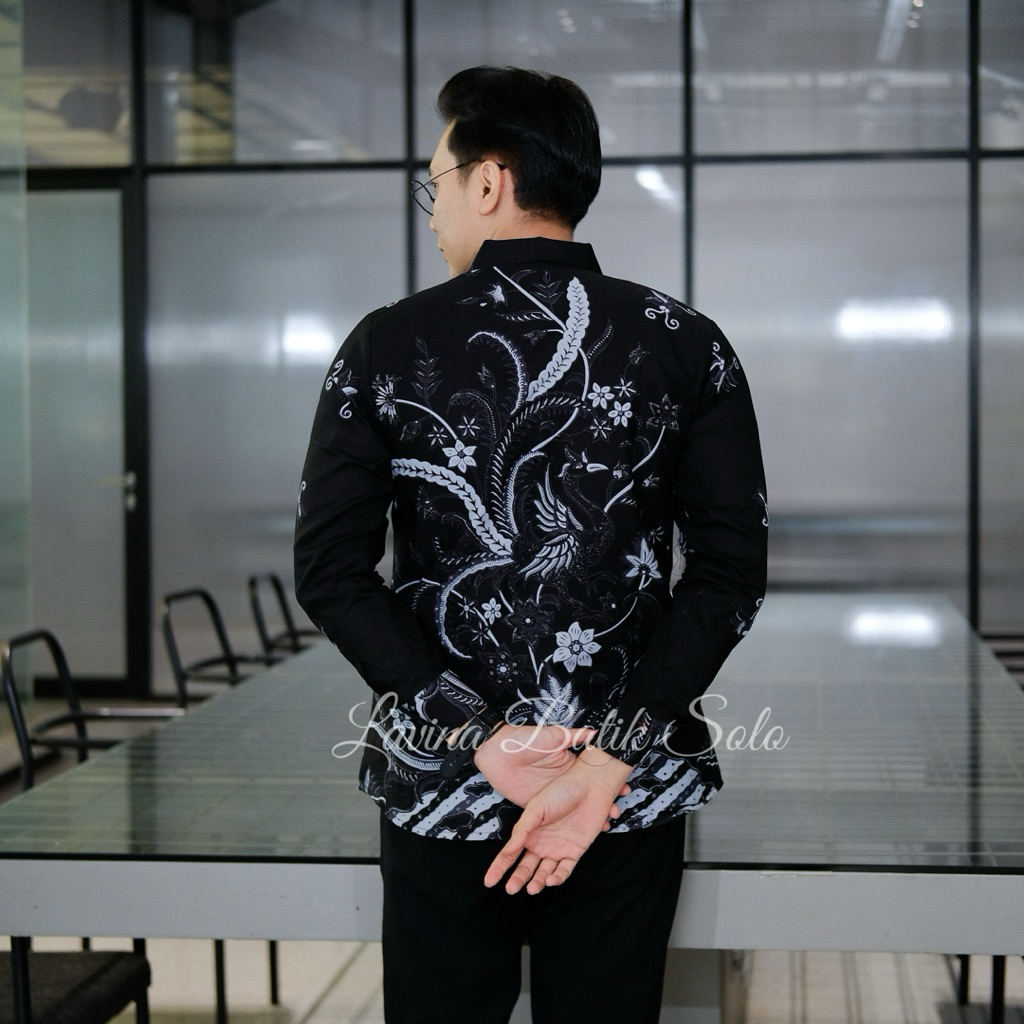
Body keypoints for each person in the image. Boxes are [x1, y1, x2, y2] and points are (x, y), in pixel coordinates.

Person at [294, 65, 768, 1024]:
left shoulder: (385, 345)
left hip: (447, 780)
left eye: (436, 183)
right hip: (621, 790)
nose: (434, 212)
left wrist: (476, 732)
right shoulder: (687, 342)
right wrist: (611, 756)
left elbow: (330, 574)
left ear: (487, 180)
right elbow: (729, 577)